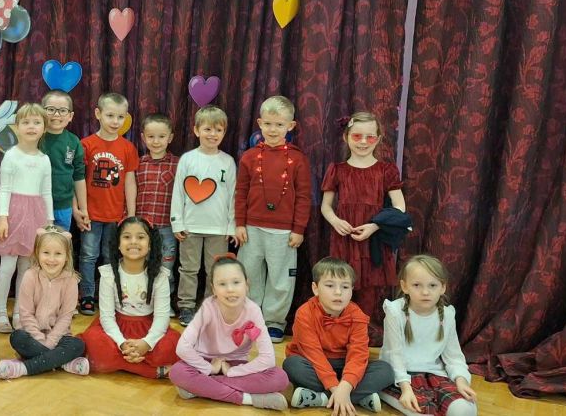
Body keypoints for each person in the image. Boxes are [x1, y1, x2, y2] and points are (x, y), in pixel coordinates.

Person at [321, 111, 407, 342]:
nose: (363, 142)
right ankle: (336, 340)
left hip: (372, 242)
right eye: (357, 136)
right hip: (344, 240)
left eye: (370, 137)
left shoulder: (386, 170)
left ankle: (359, 340)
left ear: (378, 139)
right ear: (346, 137)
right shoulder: (337, 169)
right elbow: (326, 206)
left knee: (368, 295)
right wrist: (335, 221)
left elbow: (400, 207)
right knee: (339, 288)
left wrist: (375, 226)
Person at [234, 95, 311, 341]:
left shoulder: (297, 159)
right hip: (251, 229)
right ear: (259, 123)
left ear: (291, 126)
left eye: (279, 124)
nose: (273, 129)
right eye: (268, 124)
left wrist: (298, 229)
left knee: (280, 279)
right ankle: (249, 319)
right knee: (249, 275)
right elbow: (240, 192)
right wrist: (239, 223)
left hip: (284, 232)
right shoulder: (249, 157)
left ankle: (274, 322)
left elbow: (304, 197)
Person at [169, 255, 288, 410]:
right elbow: (182, 348)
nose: (230, 289)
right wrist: (209, 369)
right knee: (177, 372)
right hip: (204, 362)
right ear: (213, 289)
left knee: (280, 378)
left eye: (236, 282)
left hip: (235, 364)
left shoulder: (253, 310)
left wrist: (233, 371)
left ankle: (201, 389)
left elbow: (268, 358)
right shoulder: (208, 307)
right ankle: (247, 398)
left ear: (247, 284)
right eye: (222, 284)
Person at [284, 257, 395, 414]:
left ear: (352, 290)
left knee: (385, 370)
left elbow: (358, 354)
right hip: (313, 364)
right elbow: (313, 354)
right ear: (315, 288)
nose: (338, 292)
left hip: (344, 363)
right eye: (330, 285)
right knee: (292, 365)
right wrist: (335, 386)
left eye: (345, 287)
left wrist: (345, 385)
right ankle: (357, 398)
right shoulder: (305, 313)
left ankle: (322, 398)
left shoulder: (357, 315)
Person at [78, 217, 181, 379]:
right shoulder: (108, 274)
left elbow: (162, 318)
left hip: (148, 328)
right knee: (95, 341)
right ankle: (152, 371)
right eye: (127, 237)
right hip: (117, 328)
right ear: (118, 244)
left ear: (150, 244)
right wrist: (121, 343)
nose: (133, 242)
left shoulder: (160, 276)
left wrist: (146, 343)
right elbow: (107, 317)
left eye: (140, 237)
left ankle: (120, 364)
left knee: (174, 345)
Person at [0, 103, 52, 332]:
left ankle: (21, 313)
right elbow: (4, 189)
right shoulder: (11, 155)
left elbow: (46, 192)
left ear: (44, 128)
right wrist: (3, 218)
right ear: (17, 127)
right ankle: (1, 311)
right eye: (26, 122)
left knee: (26, 267)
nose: (31, 127)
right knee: (7, 265)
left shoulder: (44, 159)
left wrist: (49, 222)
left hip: (35, 216)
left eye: (36, 122)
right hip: (12, 215)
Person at [379, 255, 477, 416]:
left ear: (443, 287)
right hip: (401, 376)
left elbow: (454, 357)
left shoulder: (447, 315)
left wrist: (461, 381)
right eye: (417, 285)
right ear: (404, 286)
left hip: (434, 374)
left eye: (432, 285)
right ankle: (382, 392)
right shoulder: (395, 312)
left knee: (465, 410)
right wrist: (406, 389)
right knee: (424, 412)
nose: (425, 292)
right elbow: (394, 355)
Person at [171, 105, 237, 326]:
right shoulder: (188, 159)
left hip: (218, 229)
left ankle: (211, 306)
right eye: (208, 129)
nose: (213, 134)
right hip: (190, 227)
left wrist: (231, 225)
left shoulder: (228, 161)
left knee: (214, 270)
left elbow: (233, 196)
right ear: (196, 130)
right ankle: (186, 306)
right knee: (188, 269)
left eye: (218, 130)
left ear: (224, 132)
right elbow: (178, 193)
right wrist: (177, 222)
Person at [0, 227, 89, 379]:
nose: (51, 259)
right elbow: (26, 313)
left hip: (59, 337)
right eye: (46, 253)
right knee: (17, 337)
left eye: (58, 254)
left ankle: (23, 368)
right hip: (31, 335)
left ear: (67, 256)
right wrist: (40, 340)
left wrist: (51, 341)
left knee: (78, 345)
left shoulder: (71, 280)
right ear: (37, 253)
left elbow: (65, 317)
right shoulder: (30, 276)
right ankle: (62, 363)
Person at [78, 92, 139, 315]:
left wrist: (131, 214)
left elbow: (130, 181)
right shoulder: (86, 145)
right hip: (91, 214)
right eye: (110, 115)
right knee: (88, 256)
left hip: (116, 216)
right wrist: (80, 210)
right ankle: (87, 295)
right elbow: (77, 179)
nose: (115, 121)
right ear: (98, 114)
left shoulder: (128, 148)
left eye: (120, 117)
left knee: (110, 257)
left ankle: (107, 295)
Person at [135, 113, 178, 287]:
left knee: (166, 264)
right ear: (143, 137)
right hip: (142, 226)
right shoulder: (138, 164)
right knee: (141, 261)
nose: (156, 141)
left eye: (161, 136)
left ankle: (166, 294)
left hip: (167, 225)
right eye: (151, 136)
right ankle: (142, 293)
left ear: (170, 138)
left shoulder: (178, 164)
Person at [40, 89, 89, 233]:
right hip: (38, 205)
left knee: (60, 242)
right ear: (41, 112)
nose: (56, 114)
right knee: (37, 243)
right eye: (51, 109)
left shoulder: (74, 142)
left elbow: (78, 177)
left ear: (70, 116)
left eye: (62, 110)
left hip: (64, 207)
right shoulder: (35, 139)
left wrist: (82, 209)